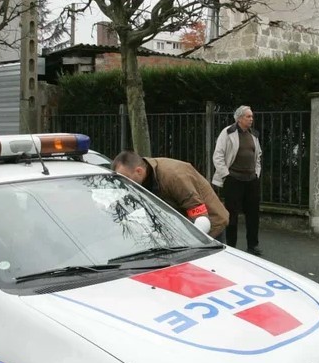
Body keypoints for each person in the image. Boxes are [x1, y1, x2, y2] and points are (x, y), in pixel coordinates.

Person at [112, 151, 229, 238]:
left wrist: (187, 242)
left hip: (211, 226)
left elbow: (201, 219)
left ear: (139, 171)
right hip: (181, 228)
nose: (124, 183)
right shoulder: (142, 175)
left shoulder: (174, 177)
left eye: (126, 177)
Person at [212, 105, 263, 255]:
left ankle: (252, 245)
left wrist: (256, 173)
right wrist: (226, 175)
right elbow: (218, 155)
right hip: (234, 178)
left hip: (251, 179)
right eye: (248, 116)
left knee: (253, 214)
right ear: (240, 118)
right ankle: (231, 246)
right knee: (232, 214)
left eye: (252, 116)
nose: (251, 119)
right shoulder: (228, 133)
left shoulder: (254, 134)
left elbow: (258, 156)